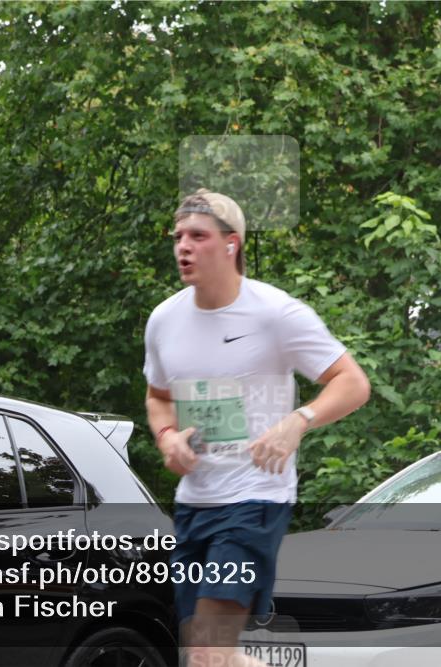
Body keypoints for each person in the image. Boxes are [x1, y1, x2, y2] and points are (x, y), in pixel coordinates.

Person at [144, 189, 370, 667]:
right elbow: (158, 397)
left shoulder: (275, 313)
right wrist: (167, 438)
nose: (183, 246)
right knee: (206, 657)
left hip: (254, 501)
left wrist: (298, 421)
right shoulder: (164, 320)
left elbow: (353, 383)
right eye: (178, 236)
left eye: (198, 236)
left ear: (232, 244)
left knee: (207, 650)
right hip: (194, 504)